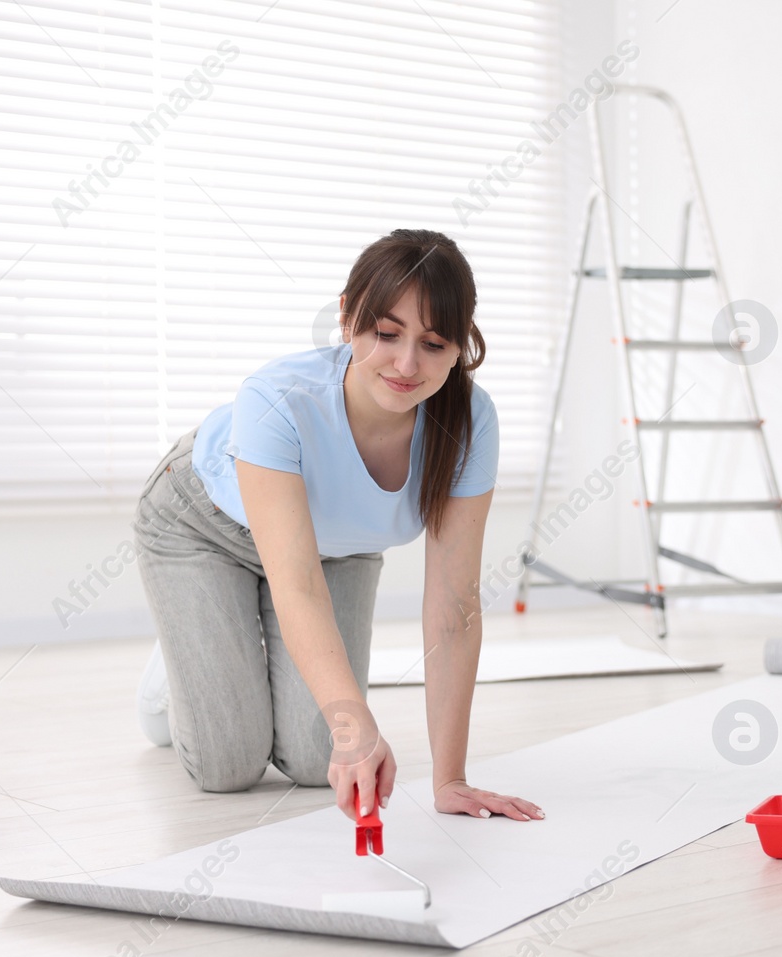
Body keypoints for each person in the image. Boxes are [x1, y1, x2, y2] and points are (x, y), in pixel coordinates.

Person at [131, 229, 543, 825]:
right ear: (348, 318)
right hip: (204, 529)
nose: (406, 365)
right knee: (228, 767)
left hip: (336, 553)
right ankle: (181, 659)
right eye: (386, 333)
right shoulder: (276, 398)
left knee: (312, 758)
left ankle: (227, 649)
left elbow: (454, 604)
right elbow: (294, 582)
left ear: (462, 347)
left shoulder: (471, 422)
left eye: (432, 343)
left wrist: (450, 778)